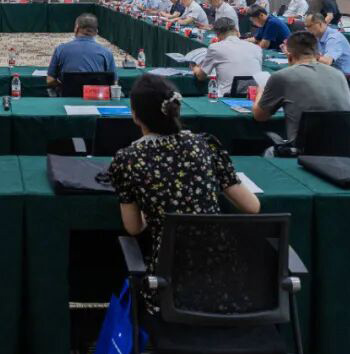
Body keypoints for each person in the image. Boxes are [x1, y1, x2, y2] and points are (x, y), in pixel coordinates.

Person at [108, 74, 260, 313]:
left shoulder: (127, 159)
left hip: (168, 292)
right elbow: (252, 206)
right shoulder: (206, 144)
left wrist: (155, 202)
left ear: (135, 115)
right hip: (230, 287)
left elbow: (134, 227)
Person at [253, 30, 350, 139]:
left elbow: (260, 116)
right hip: (347, 145)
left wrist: (260, 91)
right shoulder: (339, 75)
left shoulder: (282, 76)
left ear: (289, 57)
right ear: (318, 55)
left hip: (304, 147)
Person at [192, 17, 262, 97]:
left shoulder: (215, 48)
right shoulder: (256, 48)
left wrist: (195, 68)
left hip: (226, 97)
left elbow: (201, 76)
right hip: (253, 96)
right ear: (236, 30)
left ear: (217, 34)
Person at [46, 13, 117, 87]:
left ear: (76, 28)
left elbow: (50, 80)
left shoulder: (60, 49)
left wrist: (62, 86)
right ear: (96, 31)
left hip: (67, 93)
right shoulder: (106, 52)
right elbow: (114, 82)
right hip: (95, 94)